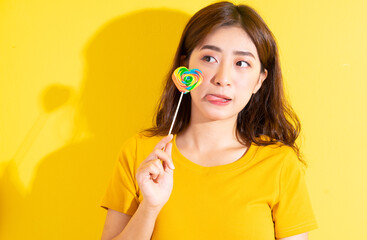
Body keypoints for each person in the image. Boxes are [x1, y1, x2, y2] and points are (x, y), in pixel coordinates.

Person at [100, 1, 318, 239]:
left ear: (259, 80)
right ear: (184, 68)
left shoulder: (279, 164)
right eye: (209, 58)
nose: (222, 78)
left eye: (241, 63)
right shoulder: (140, 153)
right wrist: (150, 207)